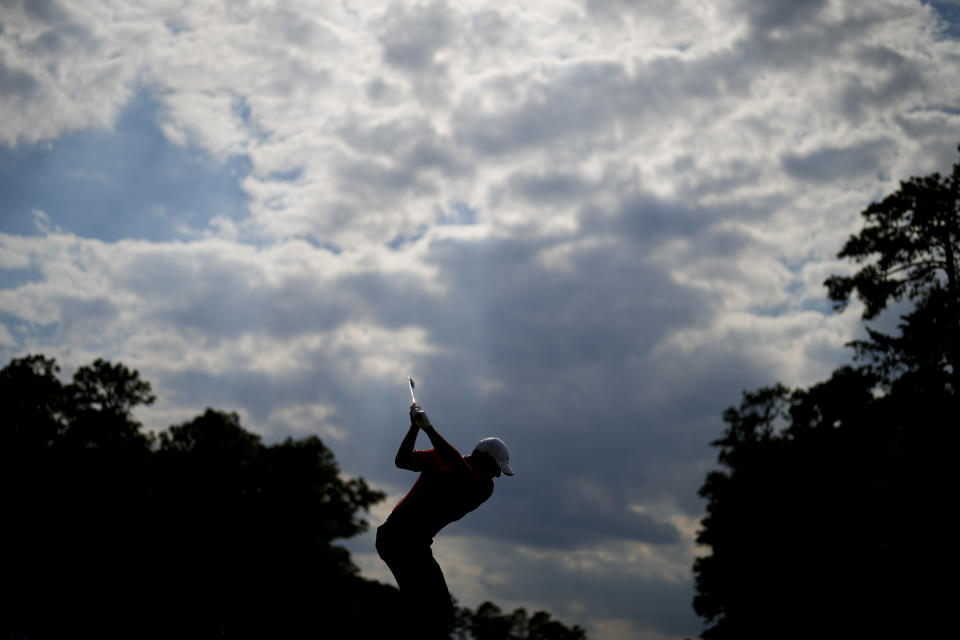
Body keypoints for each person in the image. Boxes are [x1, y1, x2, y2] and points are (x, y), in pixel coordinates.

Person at [376, 403, 514, 639]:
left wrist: (428, 428)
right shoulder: (439, 457)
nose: (498, 475)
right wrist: (414, 428)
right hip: (397, 537)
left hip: (414, 544)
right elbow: (402, 461)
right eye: (496, 468)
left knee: (440, 614)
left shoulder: (483, 487)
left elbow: (460, 469)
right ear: (482, 458)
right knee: (431, 613)